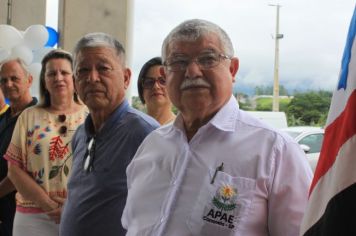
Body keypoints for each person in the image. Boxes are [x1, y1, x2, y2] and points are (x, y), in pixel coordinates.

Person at [122, 19, 313, 236]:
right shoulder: (152, 145)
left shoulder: (276, 150)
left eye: (208, 59)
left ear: (232, 69)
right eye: (178, 61)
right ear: (166, 75)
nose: (192, 71)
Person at [59, 32, 159, 236]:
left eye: (103, 68)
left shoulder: (147, 134)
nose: (92, 78)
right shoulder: (80, 134)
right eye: (83, 70)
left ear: (126, 77)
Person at [4, 49, 87, 236]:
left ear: (74, 77)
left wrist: (71, 206)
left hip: (79, 212)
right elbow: (14, 169)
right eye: (51, 73)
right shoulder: (29, 116)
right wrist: (48, 204)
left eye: (64, 72)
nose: (58, 78)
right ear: (44, 81)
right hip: (32, 219)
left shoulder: (90, 116)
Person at [0, 58, 38, 236]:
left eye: (14, 78)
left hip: (23, 216)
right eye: (3, 80)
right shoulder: (4, 117)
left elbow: (23, 170)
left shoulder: (39, 118)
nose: (8, 84)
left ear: (29, 80)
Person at [137, 57, 176, 125]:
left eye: (163, 81)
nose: (156, 86)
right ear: (142, 91)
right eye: (149, 82)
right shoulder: (134, 128)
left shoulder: (182, 129)